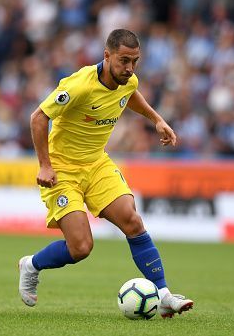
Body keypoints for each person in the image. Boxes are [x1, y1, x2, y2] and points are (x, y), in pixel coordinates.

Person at [18, 29, 194, 318]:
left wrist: (157, 120)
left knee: (132, 220)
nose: (129, 68)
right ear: (107, 55)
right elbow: (38, 117)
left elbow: (131, 94)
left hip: (97, 164)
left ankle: (163, 295)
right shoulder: (78, 85)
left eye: (135, 61)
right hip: (63, 170)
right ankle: (31, 265)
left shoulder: (128, 80)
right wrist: (45, 165)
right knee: (81, 247)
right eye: (124, 61)